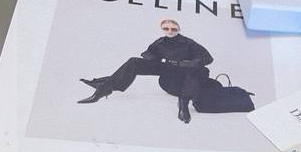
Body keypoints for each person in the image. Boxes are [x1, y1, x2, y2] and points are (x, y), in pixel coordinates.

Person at [78, 19, 213, 124]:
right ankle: (104, 88)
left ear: (178, 29)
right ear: (162, 29)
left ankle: (183, 105)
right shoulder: (160, 42)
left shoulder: (189, 43)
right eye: (166, 28)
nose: (170, 31)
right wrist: (155, 59)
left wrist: (190, 63)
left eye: (173, 29)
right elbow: (148, 54)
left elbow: (208, 58)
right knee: (134, 62)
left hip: (185, 72)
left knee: (193, 71)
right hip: (167, 71)